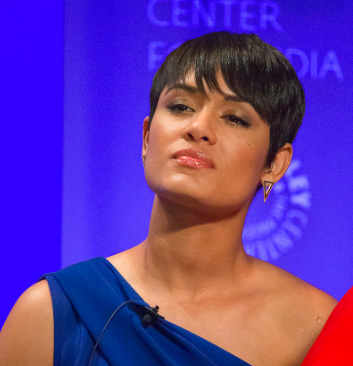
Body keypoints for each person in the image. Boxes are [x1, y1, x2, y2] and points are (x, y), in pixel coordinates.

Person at [0, 32, 338, 366]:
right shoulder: (53, 313)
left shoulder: (317, 327)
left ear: (274, 164)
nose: (198, 127)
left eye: (235, 118)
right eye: (181, 106)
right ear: (147, 137)